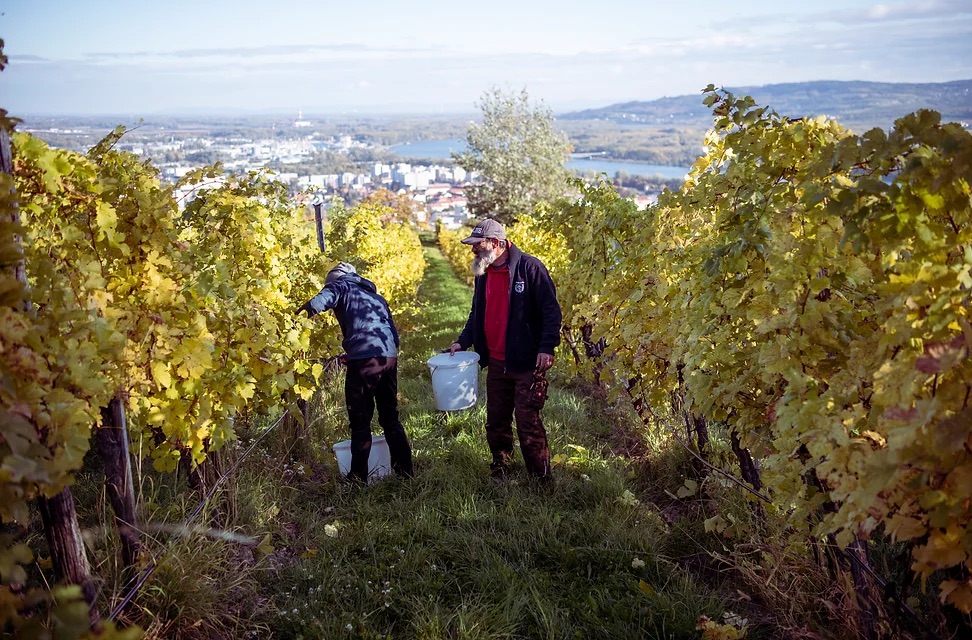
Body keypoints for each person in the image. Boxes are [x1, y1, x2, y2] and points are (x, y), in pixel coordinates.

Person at [447, 218, 562, 482]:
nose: (473, 250)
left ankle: (541, 479)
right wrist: (462, 341)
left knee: (527, 421)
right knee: (496, 420)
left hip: (526, 361)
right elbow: (477, 314)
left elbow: (551, 312)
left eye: (478, 244)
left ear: (496, 243)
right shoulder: (484, 273)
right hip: (496, 362)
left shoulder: (529, 268)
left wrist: (546, 347)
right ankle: (501, 467)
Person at [298, 262, 413, 483]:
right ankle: (406, 473)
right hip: (388, 358)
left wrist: (293, 321)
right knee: (390, 417)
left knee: (360, 422)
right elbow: (394, 338)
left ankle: (358, 480)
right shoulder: (377, 298)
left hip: (364, 359)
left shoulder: (340, 286)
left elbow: (318, 303)